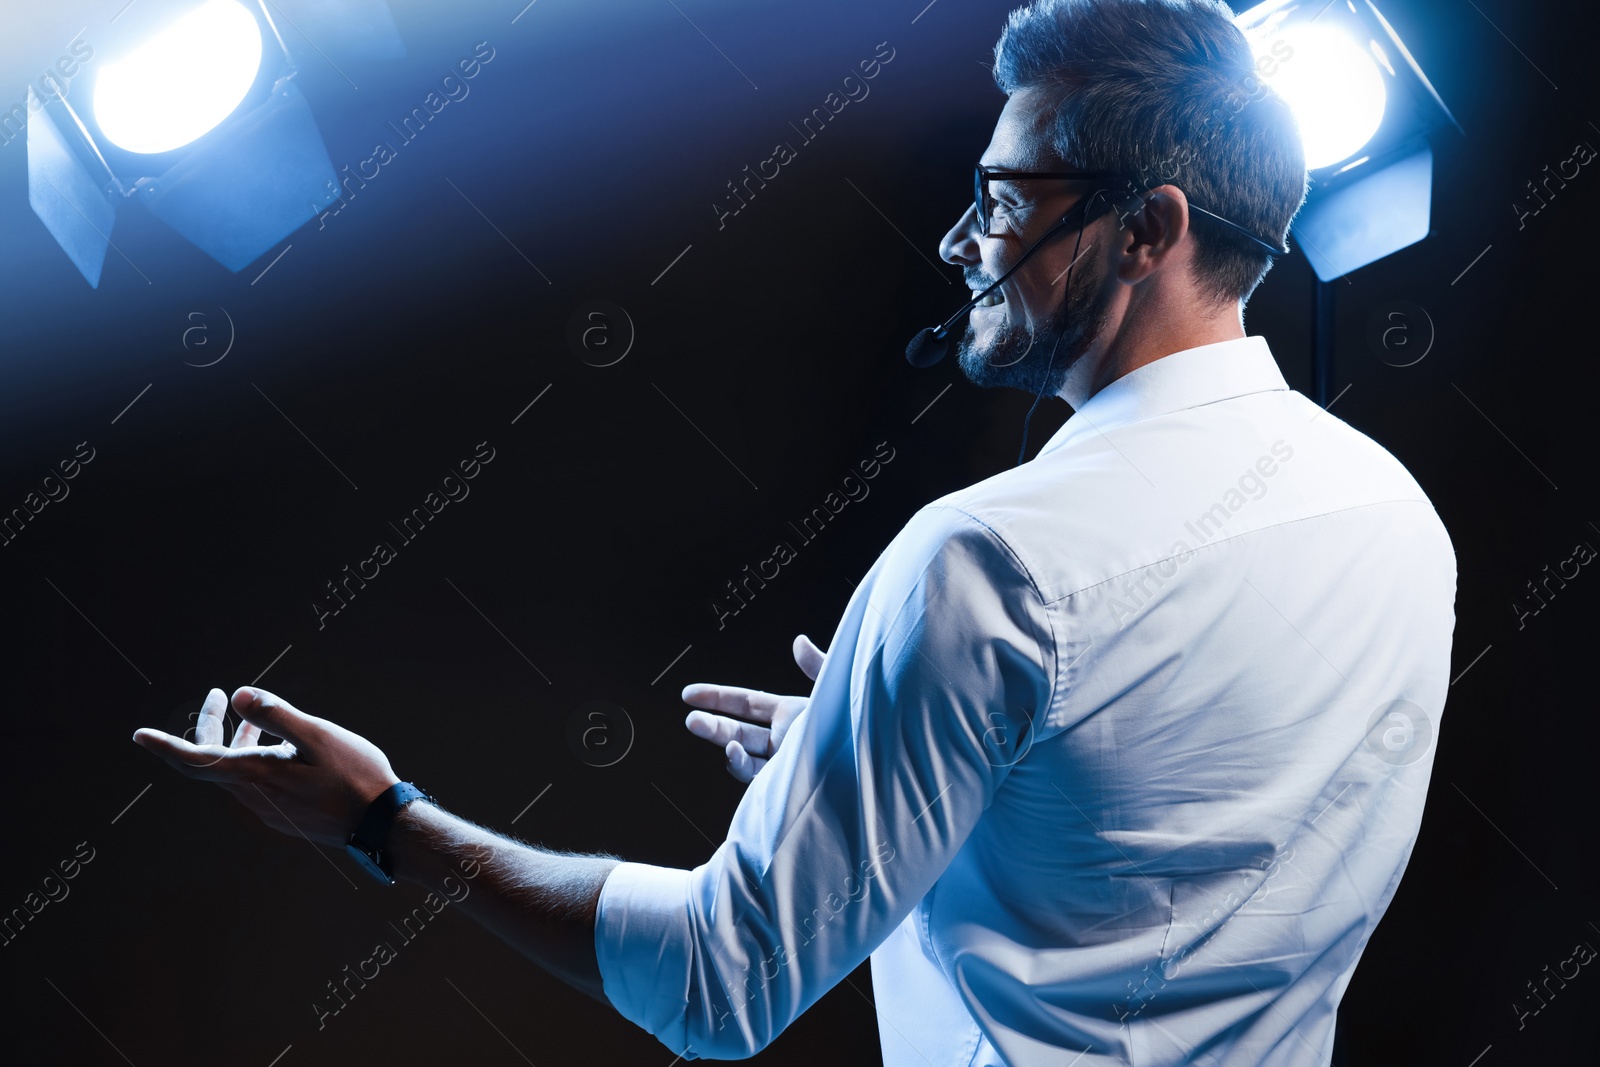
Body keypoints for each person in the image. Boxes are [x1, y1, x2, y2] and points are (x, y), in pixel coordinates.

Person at [133, 1, 1457, 1063]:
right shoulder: (1404, 527)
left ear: (1146, 231)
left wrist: (384, 819)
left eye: (1003, 201)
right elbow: (1161, 865)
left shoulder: (987, 562)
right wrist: (916, 778)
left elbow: (722, 986)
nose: (960, 243)